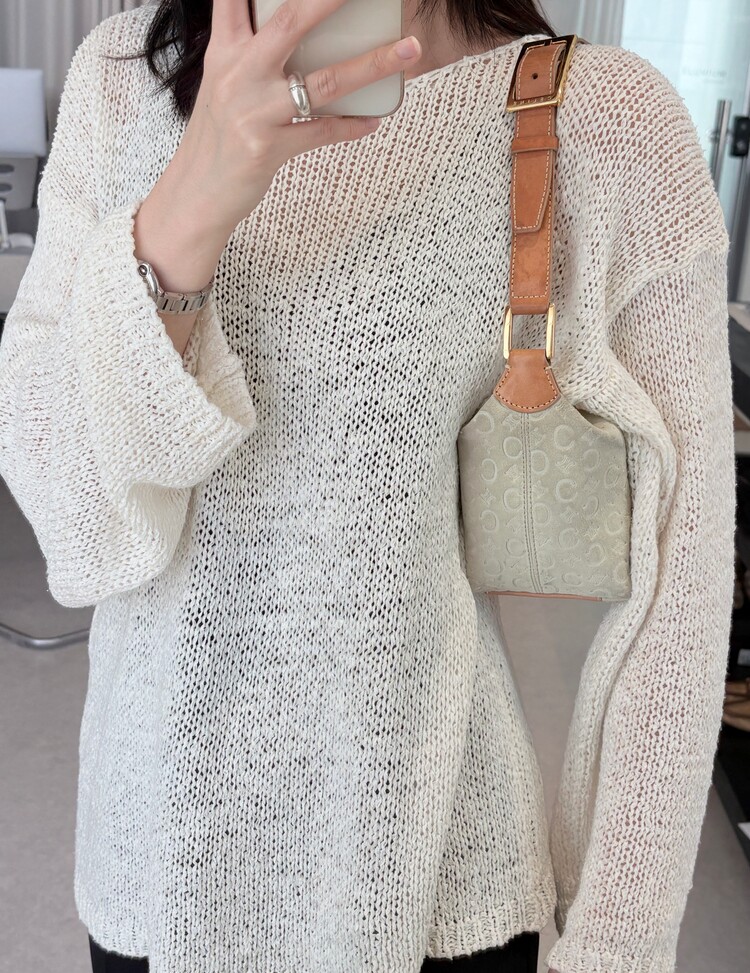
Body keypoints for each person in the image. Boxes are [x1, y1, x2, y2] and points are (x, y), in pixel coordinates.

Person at [0, 0, 736, 971]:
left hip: (437, 886)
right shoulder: (122, 79)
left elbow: (682, 580)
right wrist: (188, 206)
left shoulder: (602, 119)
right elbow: (74, 525)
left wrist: (618, 946)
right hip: (160, 872)